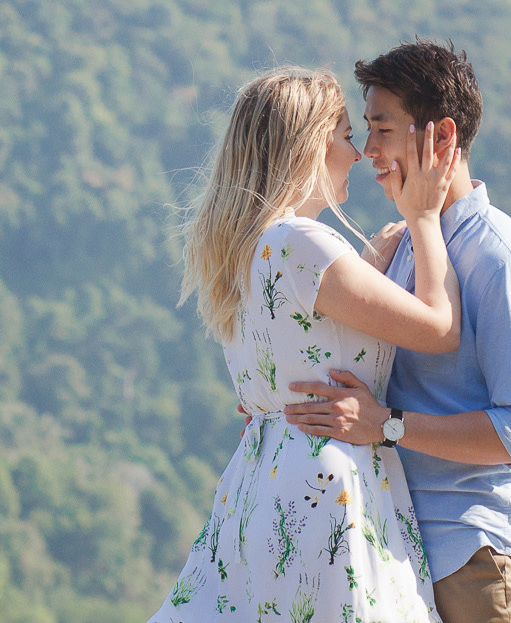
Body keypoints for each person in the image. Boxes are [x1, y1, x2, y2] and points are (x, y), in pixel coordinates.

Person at [150, 66, 465, 623]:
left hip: (264, 475)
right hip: (326, 484)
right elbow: (439, 329)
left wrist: (372, 262)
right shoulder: (301, 242)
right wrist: (423, 219)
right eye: (345, 135)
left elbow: (312, 334)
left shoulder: (250, 247)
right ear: (310, 147)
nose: (358, 152)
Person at [283, 43, 511, 623]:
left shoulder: (506, 262)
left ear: (440, 138)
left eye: (382, 129)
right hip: (390, 558)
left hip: (473, 561)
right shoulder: (404, 250)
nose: (367, 152)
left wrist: (387, 427)